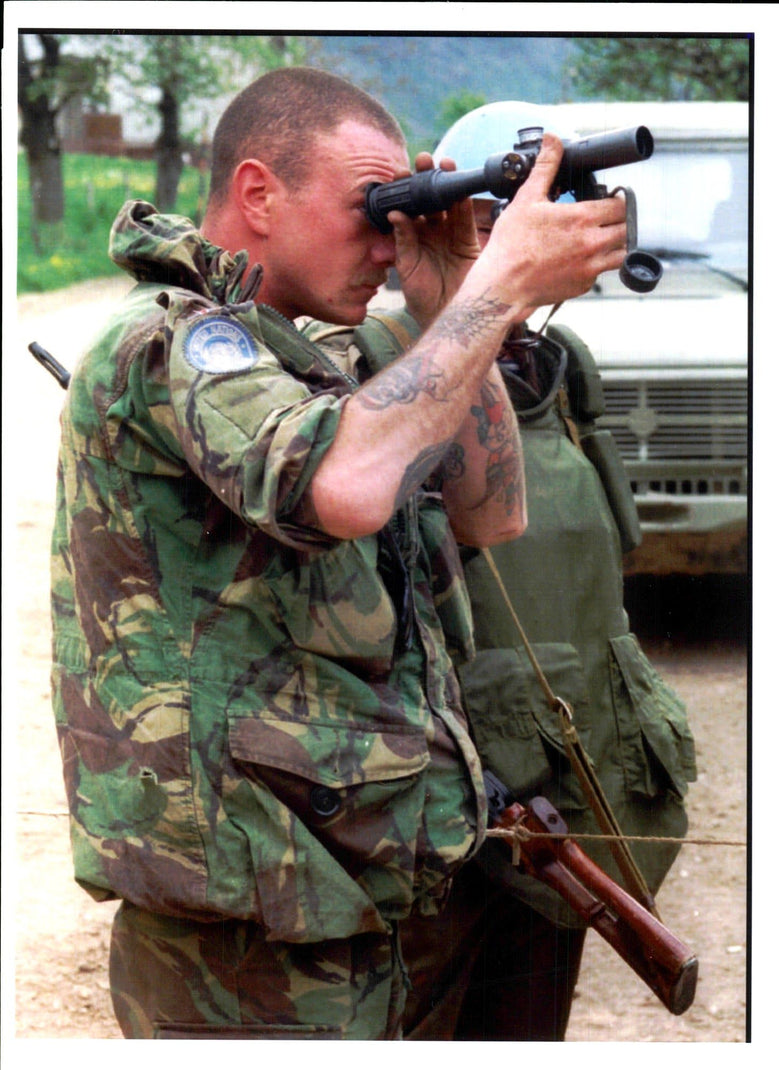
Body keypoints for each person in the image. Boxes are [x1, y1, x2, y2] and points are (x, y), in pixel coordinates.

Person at [50, 72, 631, 1040]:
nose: (382, 241)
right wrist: (496, 292)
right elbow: (344, 486)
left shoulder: (313, 354)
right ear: (258, 194)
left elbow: (491, 513)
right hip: (247, 929)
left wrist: (451, 299)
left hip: (353, 883)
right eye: (369, 208)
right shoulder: (172, 343)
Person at [305, 100, 697, 1041]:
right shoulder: (375, 371)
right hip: (440, 805)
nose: (542, 242)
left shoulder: (562, 368)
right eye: (509, 222)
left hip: (563, 782)